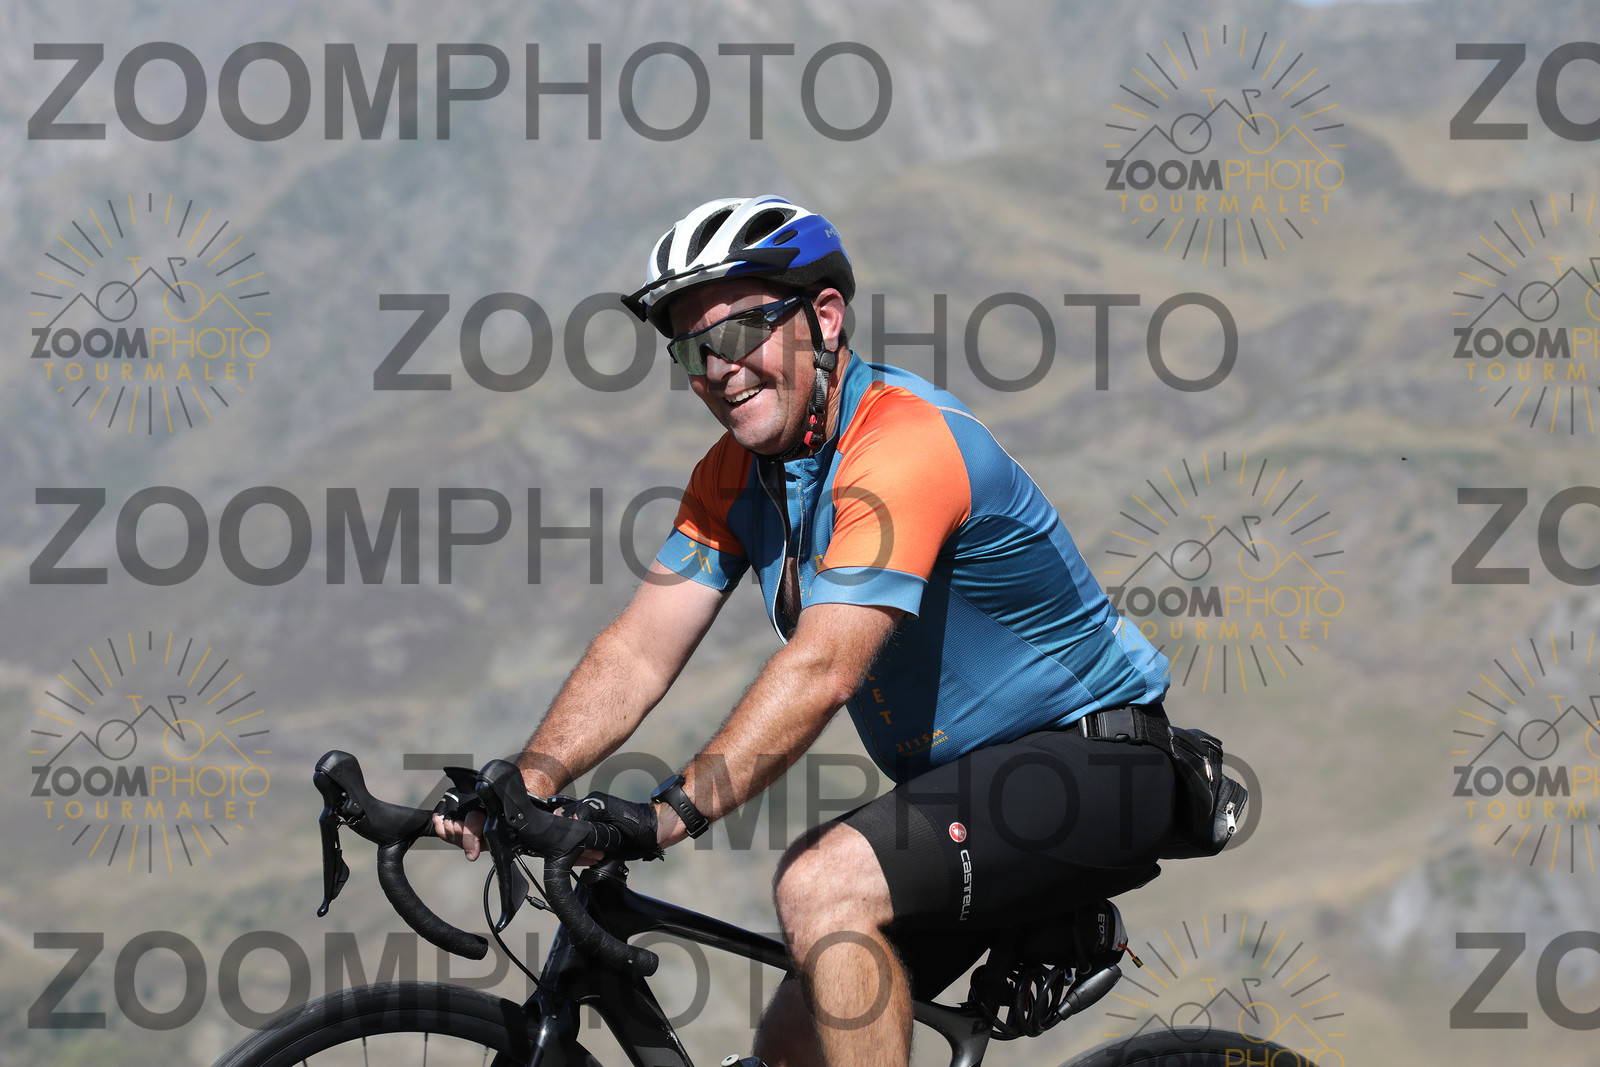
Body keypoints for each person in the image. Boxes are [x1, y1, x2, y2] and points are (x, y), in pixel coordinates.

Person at [436, 194, 1179, 1067]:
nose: (719, 368)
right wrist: (527, 779)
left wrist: (667, 815)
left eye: (739, 331)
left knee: (821, 882)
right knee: (793, 1044)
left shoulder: (904, 442)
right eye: (693, 349)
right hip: (963, 796)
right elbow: (638, 648)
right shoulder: (733, 476)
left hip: (1099, 766)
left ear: (824, 317)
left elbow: (824, 666)